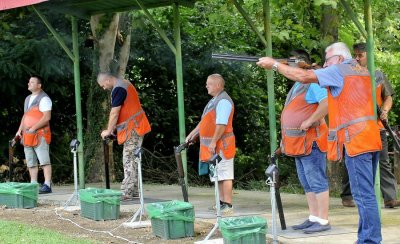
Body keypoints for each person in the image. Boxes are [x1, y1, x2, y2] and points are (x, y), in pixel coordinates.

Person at [257, 42, 382, 244]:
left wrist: (274, 65)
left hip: (357, 140)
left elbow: (304, 77)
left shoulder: (340, 70)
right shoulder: (359, 70)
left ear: (340, 59)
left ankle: (369, 240)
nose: (325, 64)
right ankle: (367, 238)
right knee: (365, 195)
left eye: (328, 60)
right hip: (369, 138)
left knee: (363, 196)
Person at [277, 50, 330, 234]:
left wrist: (309, 121)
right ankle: (314, 217)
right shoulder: (299, 85)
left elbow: (326, 104)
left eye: (291, 64)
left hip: (312, 141)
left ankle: (323, 220)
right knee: (307, 183)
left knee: (317, 181)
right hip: (299, 143)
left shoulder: (313, 83)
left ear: (301, 64)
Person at [341, 42, 399, 208]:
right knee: (351, 160)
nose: (357, 58)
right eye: (355, 55)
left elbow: (388, 97)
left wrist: (385, 111)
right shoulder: (349, 74)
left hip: (377, 127)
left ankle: (390, 197)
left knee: (384, 162)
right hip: (356, 127)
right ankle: (347, 196)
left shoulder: (378, 74)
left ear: (369, 56)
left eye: (360, 55)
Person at [186, 74, 235, 215]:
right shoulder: (214, 101)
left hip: (222, 145)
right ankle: (221, 202)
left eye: (209, 83)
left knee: (225, 175)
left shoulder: (223, 101)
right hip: (215, 146)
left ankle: (228, 204)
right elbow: (204, 122)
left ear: (218, 85)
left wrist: (213, 141)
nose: (206, 86)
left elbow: (221, 124)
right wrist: (192, 134)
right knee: (218, 174)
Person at [97, 72, 151, 200]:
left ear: (108, 80)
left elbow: (114, 113)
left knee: (129, 160)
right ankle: (134, 191)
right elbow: (125, 111)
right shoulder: (124, 84)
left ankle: (126, 192)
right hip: (135, 126)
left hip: (133, 128)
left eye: (103, 85)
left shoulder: (119, 88)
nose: (104, 88)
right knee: (134, 160)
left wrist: (109, 130)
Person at [16, 75, 52, 194]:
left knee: (44, 161)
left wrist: (34, 128)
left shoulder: (44, 99)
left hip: (40, 134)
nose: (28, 84)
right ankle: (33, 184)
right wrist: (19, 131)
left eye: (32, 82)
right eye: (29, 82)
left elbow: (47, 117)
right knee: (31, 161)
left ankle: (47, 185)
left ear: (39, 85)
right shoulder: (27, 99)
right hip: (27, 135)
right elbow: (25, 117)